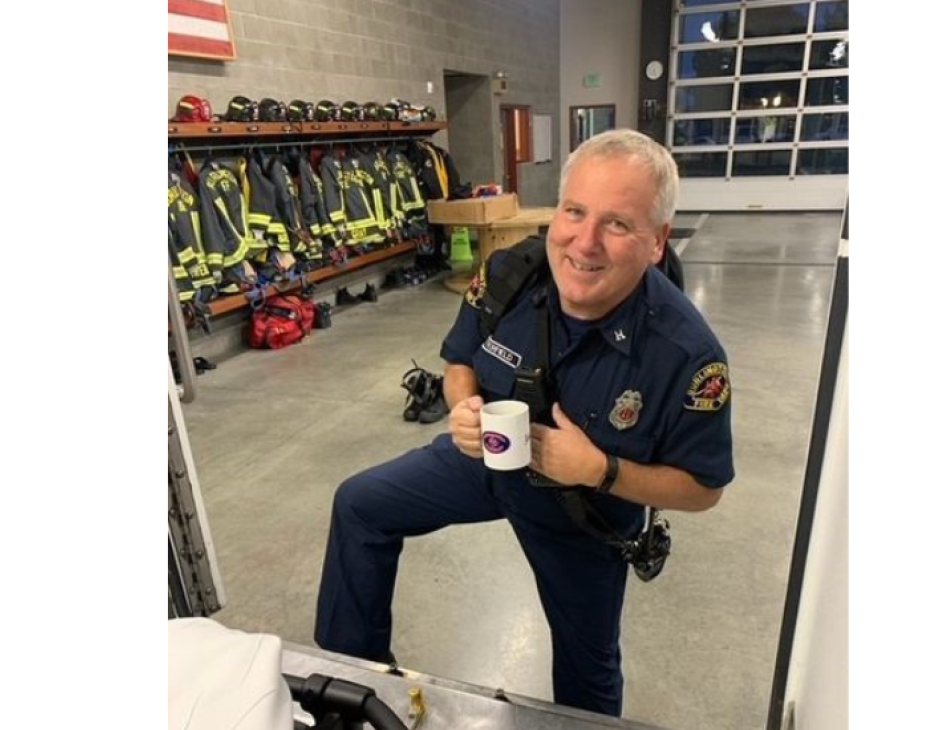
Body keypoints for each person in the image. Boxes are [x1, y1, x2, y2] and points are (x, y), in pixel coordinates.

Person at [314, 128, 734, 717]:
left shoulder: (686, 356)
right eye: (574, 211)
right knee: (359, 504)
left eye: (617, 224)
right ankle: (350, 692)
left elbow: (703, 489)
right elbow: (460, 358)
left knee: (588, 672)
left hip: (582, 512)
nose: (583, 242)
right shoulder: (511, 276)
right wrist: (464, 406)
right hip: (486, 462)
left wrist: (601, 470)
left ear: (657, 240)